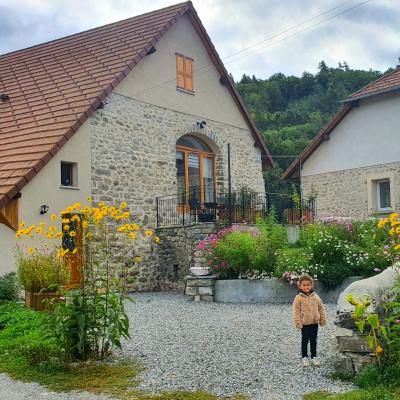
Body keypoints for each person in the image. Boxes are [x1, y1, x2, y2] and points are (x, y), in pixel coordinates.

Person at [292, 274, 326, 367]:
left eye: (308, 285)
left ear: (312, 285)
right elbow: (296, 312)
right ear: (300, 286)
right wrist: (298, 324)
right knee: (305, 341)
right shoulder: (298, 298)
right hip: (305, 324)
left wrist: (322, 320)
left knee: (314, 340)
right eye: (304, 285)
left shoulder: (316, 296)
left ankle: (314, 356)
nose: (306, 287)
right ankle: (304, 357)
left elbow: (321, 308)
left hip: (314, 323)